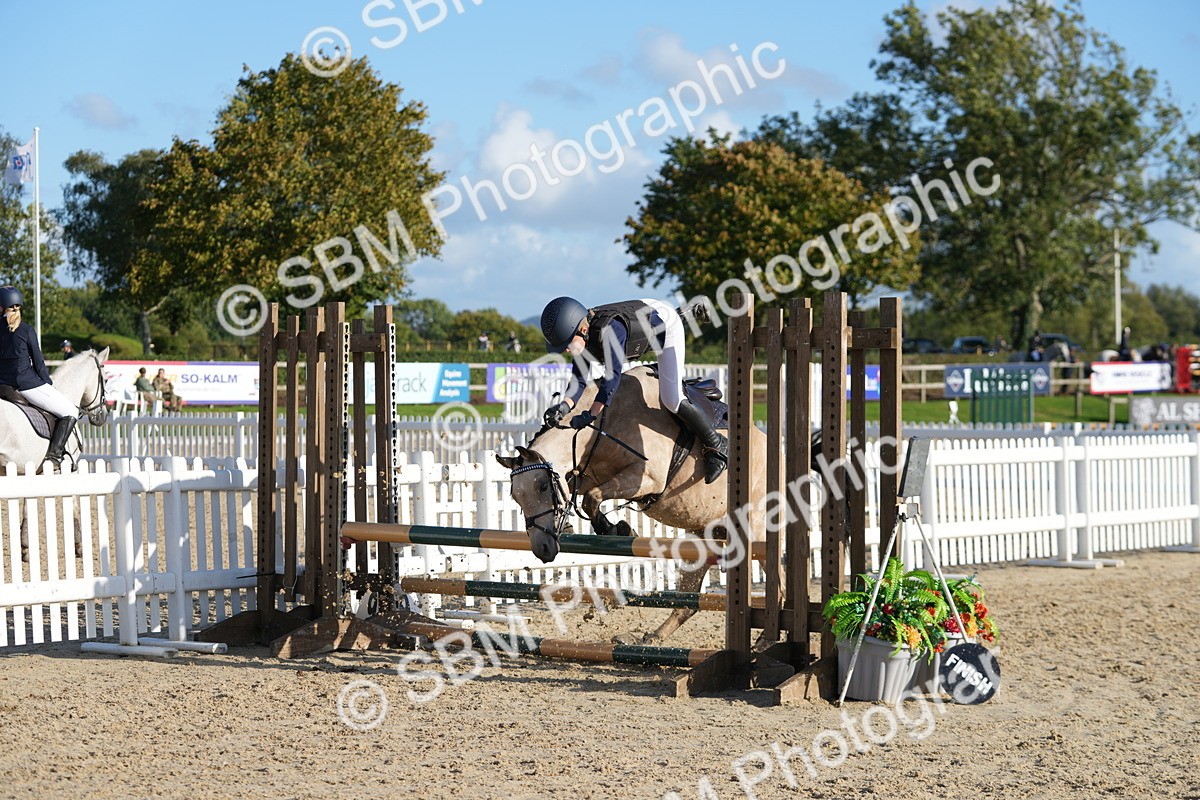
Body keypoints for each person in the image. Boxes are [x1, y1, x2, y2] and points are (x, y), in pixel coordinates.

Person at [539, 296, 727, 484]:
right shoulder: (584, 336)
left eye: (567, 344)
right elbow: (578, 381)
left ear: (583, 330)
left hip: (667, 329)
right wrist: (563, 407)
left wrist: (591, 414)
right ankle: (686, 312)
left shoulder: (610, 332)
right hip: (648, 318)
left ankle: (716, 445)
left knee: (672, 399)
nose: (566, 350)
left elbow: (611, 379)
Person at [0, 286, 80, 465]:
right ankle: (54, 455)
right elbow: (38, 362)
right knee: (70, 411)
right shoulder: (26, 330)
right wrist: (47, 383)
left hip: (2, 385)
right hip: (25, 384)